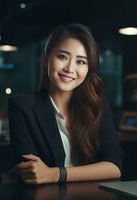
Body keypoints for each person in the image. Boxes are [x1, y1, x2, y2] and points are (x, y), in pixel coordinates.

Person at [8, 23, 122, 185]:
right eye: (62, 56)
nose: (70, 68)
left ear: (89, 68)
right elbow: (31, 171)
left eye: (81, 61)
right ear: (46, 60)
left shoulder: (97, 103)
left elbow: (114, 166)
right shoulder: (22, 107)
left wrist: (55, 174)